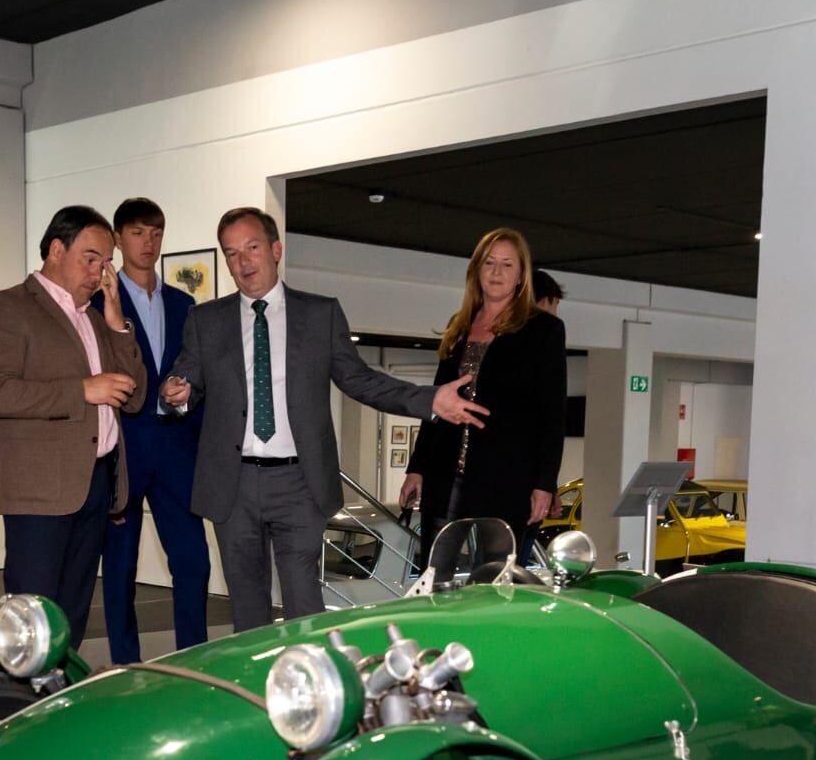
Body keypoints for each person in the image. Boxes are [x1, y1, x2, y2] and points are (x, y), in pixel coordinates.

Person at [159, 207, 487, 630]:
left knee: (303, 604)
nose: (243, 262)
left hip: (298, 484)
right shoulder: (206, 320)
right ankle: (253, 688)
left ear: (275, 250)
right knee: (247, 607)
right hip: (232, 484)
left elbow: (361, 381)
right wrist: (175, 394)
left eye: (252, 248)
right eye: (232, 253)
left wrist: (428, 401)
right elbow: (187, 379)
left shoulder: (319, 314)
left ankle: (308, 688)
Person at [0, 204, 144, 651]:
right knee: (29, 622)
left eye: (106, 262)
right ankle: (14, 711)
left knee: (70, 617)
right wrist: (82, 390)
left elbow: (137, 394)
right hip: (38, 492)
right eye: (91, 258)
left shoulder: (95, 316)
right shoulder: (8, 306)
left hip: (96, 483)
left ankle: (57, 707)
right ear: (55, 249)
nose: (100, 271)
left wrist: (117, 324)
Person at [402, 228, 567, 560]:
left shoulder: (543, 330)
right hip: (445, 472)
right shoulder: (460, 325)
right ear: (476, 270)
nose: (496, 272)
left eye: (507, 265)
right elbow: (435, 403)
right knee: (435, 572)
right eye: (489, 263)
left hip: (506, 477)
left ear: (521, 275)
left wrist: (544, 484)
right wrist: (416, 467)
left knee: (494, 577)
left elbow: (552, 413)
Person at [94, 197, 207, 665]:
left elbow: (199, 373)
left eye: (156, 233)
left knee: (193, 563)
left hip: (176, 448)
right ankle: (125, 664)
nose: (149, 242)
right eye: (138, 233)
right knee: (119, 569)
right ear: (118, 240)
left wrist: (190, 391)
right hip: (122, 446)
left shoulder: (185, 304)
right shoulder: (98, 302)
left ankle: (196, 661)